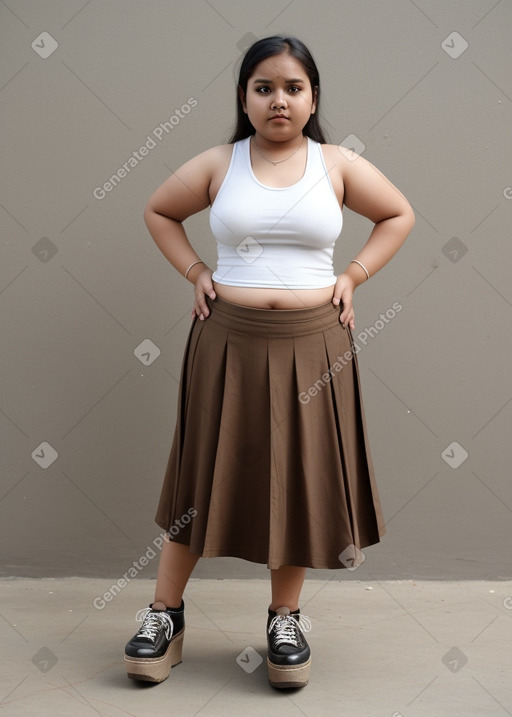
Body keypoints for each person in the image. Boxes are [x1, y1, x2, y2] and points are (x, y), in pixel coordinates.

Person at [124, 34, 415, 690]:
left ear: (312, 100)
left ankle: (286, 617)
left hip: (315, 345)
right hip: (226, 341)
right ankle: (164, 615)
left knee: (299, 478)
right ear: (244, 99)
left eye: (293, 87)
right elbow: (160, 210)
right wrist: (196, 268)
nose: (278, 99)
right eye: (264, 87)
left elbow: (398, 213)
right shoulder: (219, 164)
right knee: (200, 479)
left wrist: (355, 276)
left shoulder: (336, 164)